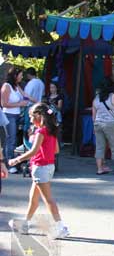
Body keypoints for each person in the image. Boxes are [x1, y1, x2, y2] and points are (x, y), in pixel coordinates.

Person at [7, 102, 69, 239]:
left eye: (31, 117)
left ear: (39, 116)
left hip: (40, 167)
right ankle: (25, 224)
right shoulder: (51, 130)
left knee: (48, 200)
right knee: (33, 199)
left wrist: (16, 160)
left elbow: (33, 151)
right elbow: (56, 150)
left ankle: (60, 227)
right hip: (48, 166)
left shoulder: (40, 131)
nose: (30, 120)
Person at [92, 78, 114, 175]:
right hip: (111, 124)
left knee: (99, 147)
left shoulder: (96, 98)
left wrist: (94, 126)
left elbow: (93, 114)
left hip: (98, 124)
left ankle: (99, 169)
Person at [1, 68, 31, 174]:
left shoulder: (17, 86)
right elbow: (4, 104)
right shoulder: (6, 86)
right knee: (11, 139)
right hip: (8, 115)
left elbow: (26, 96)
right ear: (15, 75)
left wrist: (37, 102)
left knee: (15, 139)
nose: (22, 77)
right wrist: (20, 104)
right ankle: (9, 164)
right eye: (21, 75)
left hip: (17, 115)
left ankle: (10, 161)